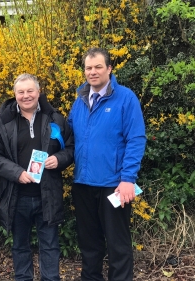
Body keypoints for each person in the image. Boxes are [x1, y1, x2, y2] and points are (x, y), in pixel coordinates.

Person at [67, 47, 146, 281]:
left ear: (109, 69)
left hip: (114, 185)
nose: (93, 72)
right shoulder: (80, 100)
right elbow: (69, 135)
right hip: (83, 183)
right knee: (89, 244)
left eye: (98, 67)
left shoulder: (125, 98)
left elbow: (136, 138)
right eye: (88, 68)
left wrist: (128, 179)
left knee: (118, 245)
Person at [0, 73, 74, 281]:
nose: (26, 96)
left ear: (38, 92)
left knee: (50, 245)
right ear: (14, 94)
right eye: (21, 92)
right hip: (17, 195)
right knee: (20, 246)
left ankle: (50, 278)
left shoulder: (55, 118)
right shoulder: (1, 121)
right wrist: (17, 173)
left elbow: (70, 148)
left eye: (30, 91)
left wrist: (59, 159)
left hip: (47, 195)